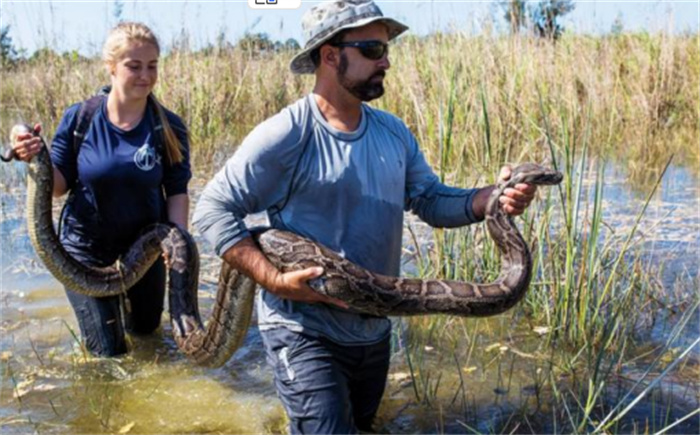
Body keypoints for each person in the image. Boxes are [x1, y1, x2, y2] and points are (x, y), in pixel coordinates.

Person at [193, 1, 537, 433]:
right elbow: (212, 210)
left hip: (373, 331)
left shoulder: (394, 132)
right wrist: (272, 280)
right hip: (302, 331)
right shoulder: (287, 134)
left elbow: (430, 200)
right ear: (330, 55)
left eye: (387, 48)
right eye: (373, 49)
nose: (387, 61)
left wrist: (491, 199)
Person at [11, 22, 191, 357]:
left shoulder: (169, 126)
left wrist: (177, 242)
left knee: (148, 337)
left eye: (152, 66)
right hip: (85, 253)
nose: (145, 76)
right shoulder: (80, 118)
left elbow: (177, 191)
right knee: (108, 353)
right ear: (111, 67)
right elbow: (59, 186)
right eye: (133, 66)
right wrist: (36, 156)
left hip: (145, 251)